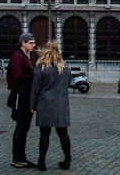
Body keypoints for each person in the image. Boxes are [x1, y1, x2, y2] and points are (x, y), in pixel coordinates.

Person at [30, 39, 72, 171]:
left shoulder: (41, 68)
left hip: (45, 104)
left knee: (45, 133)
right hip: (61, 104)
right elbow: (68, 84)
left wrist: (33, 105)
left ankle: (41, 162)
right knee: (63, 133)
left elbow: (35, 88)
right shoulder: (65, 69)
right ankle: (67, 159)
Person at [7, 31, 38, 168]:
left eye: (34, 43)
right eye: (30, 43)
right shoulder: (17, 57)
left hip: (25, 95)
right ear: (23, 43)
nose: (33, 45)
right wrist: (34, 77)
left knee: (23, 127)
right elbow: (17, 77)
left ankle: (20, 156)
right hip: (20, 95)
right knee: (21, 126)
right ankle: (18, 157)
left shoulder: (24, 57)